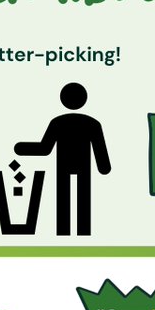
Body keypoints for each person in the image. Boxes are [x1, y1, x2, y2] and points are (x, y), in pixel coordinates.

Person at [15, 82, 112, 236]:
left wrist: (21, 148)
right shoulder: (92, 123)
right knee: (83, 200)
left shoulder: (58, 122)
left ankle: (64, 231)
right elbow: (100, 152)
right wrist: (104, 167)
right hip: (83, 166)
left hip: (63, 166)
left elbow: (44, 149)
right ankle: (82, 231)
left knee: (63, 201)